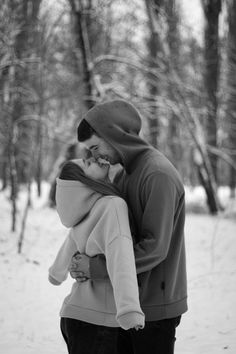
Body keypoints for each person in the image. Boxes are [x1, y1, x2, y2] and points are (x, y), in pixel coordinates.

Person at [70, 99, 188, 354]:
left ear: (114, 135)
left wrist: (96, 267)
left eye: (95, 146)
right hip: (126, 301)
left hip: (155, 307)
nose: (93, 155)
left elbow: (155, 246)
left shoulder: (157, 174)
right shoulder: (123, 173)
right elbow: (113, 233)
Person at [48, 158, 145, 354]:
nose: (92, 158)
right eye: (86, 164)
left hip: (74, 317)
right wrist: (129, 310)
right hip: (98, 324)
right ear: (82, 181)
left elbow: (70, 242)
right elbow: (121, 258)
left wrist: (56, 272)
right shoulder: (113, 205)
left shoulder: (87, 210)